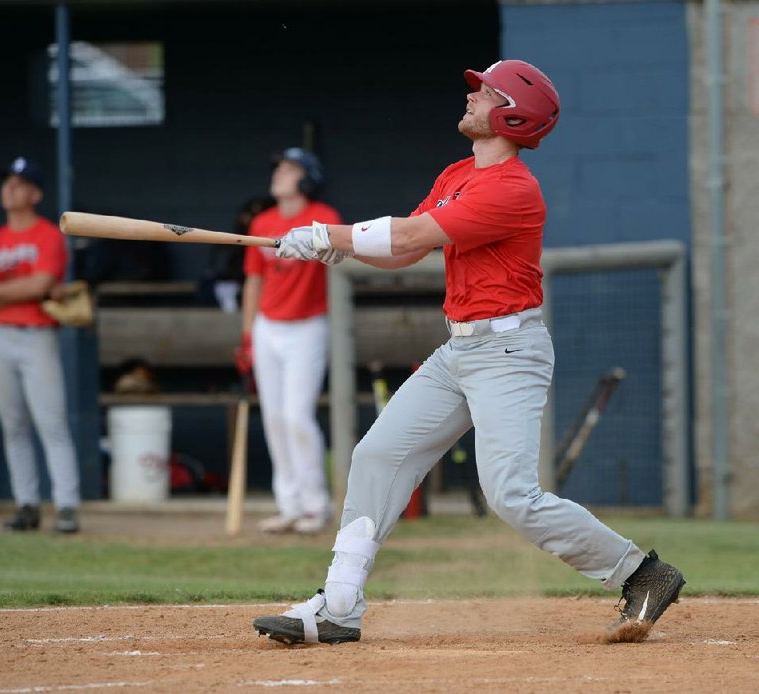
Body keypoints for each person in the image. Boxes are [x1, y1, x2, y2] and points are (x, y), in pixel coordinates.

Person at [253, 60, 685, 644]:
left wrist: (329, 235)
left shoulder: (514, 189)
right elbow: (407, 247)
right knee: (377, 455)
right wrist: (340, 249)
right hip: (459, 349)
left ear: (513, 114)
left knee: (511, 495)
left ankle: (642, 573)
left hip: (509, 351)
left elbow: (406, 238)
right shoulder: (459, 173)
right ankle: (338, 606)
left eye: (485, 93)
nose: (472, 97)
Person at [0, 156, 81, 533]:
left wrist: (5, 292)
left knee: (51, 422)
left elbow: (40, 285)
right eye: (8, 182)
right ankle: (27, 504)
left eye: (19, 183)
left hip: (38, 335)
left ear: (35, 193)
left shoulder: (49, 234)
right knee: (13, 425)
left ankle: (66, 506)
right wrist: (22, 291)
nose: (10, 188)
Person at [237, 147, 342, 534]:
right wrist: (247, 335)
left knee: (298, 416)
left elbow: (339, 261)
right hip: (268, 327)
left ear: (306, 178)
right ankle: (290, 503)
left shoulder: (325, 219)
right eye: (279, 168)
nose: (279, 174)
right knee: (275, 419)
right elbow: (253, 280)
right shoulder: (262, 221)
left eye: (288, 169)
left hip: (308, 326)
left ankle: (315, 504)